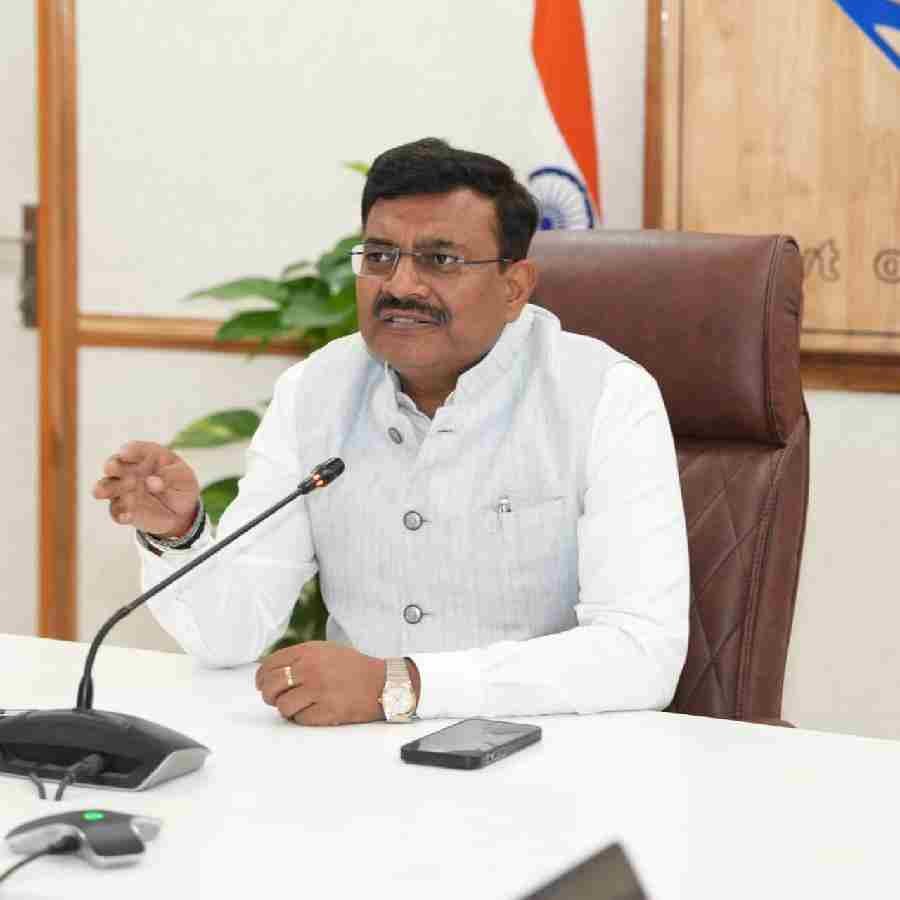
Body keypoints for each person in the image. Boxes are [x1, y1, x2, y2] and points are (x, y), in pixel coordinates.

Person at [92, 138, 689, 727]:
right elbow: (230, 634)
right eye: (379, 256)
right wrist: (178, 534)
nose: (400, 285)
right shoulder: (315, 391)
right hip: (356, 754)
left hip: (551, 753)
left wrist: (402, 685)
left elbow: (641, 654)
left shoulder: (605, 396)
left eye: (441, 260)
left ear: (514, 288)